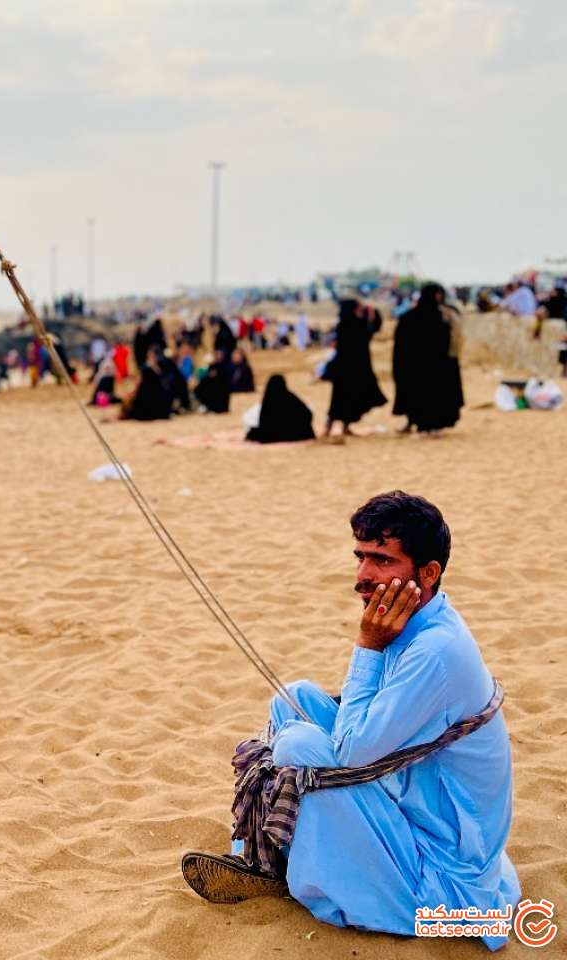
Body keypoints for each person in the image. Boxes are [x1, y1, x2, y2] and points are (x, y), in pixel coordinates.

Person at [181, 491, 520, 951]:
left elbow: (351, 753)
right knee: (294, 698)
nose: (363, 576)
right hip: (413, 800)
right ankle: (274, 857)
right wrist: (375, 647)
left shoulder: (435, 650)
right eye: (361, 557)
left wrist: (366, 645)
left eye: (381, 560)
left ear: (429, 573)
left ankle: (291, 869)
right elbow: (364, 730)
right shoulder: (416, 624)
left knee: (300, 748)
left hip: (443, 870)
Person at [393, 283, 464, 435]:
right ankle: (417, 423)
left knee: (431, 397)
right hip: (420, 366)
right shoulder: (413, 317)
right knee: (417, 395)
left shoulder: (445, 315)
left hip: (435, 365)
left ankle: (430, 425)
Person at [324, 299, 387, 436]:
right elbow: (366, 334)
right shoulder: (348, 325)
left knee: (352, 399)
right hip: (347, 369)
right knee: (339, 400)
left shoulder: (351, 324)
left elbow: (372, 330)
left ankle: (344, 426)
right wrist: (369, 319)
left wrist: (370, 316)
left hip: (356, 368)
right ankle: (329, 427)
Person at [246, 374, 314, 443]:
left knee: (253, 432)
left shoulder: (268, 400)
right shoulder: (291, 397)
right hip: (297, 434)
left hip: (274, 435)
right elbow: (308, 414)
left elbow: (263, 422)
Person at [121, 345, 172, 421]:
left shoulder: (150, 368)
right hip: (156, 404)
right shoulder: (159, 367)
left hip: (146, 404)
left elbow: (139, 382)